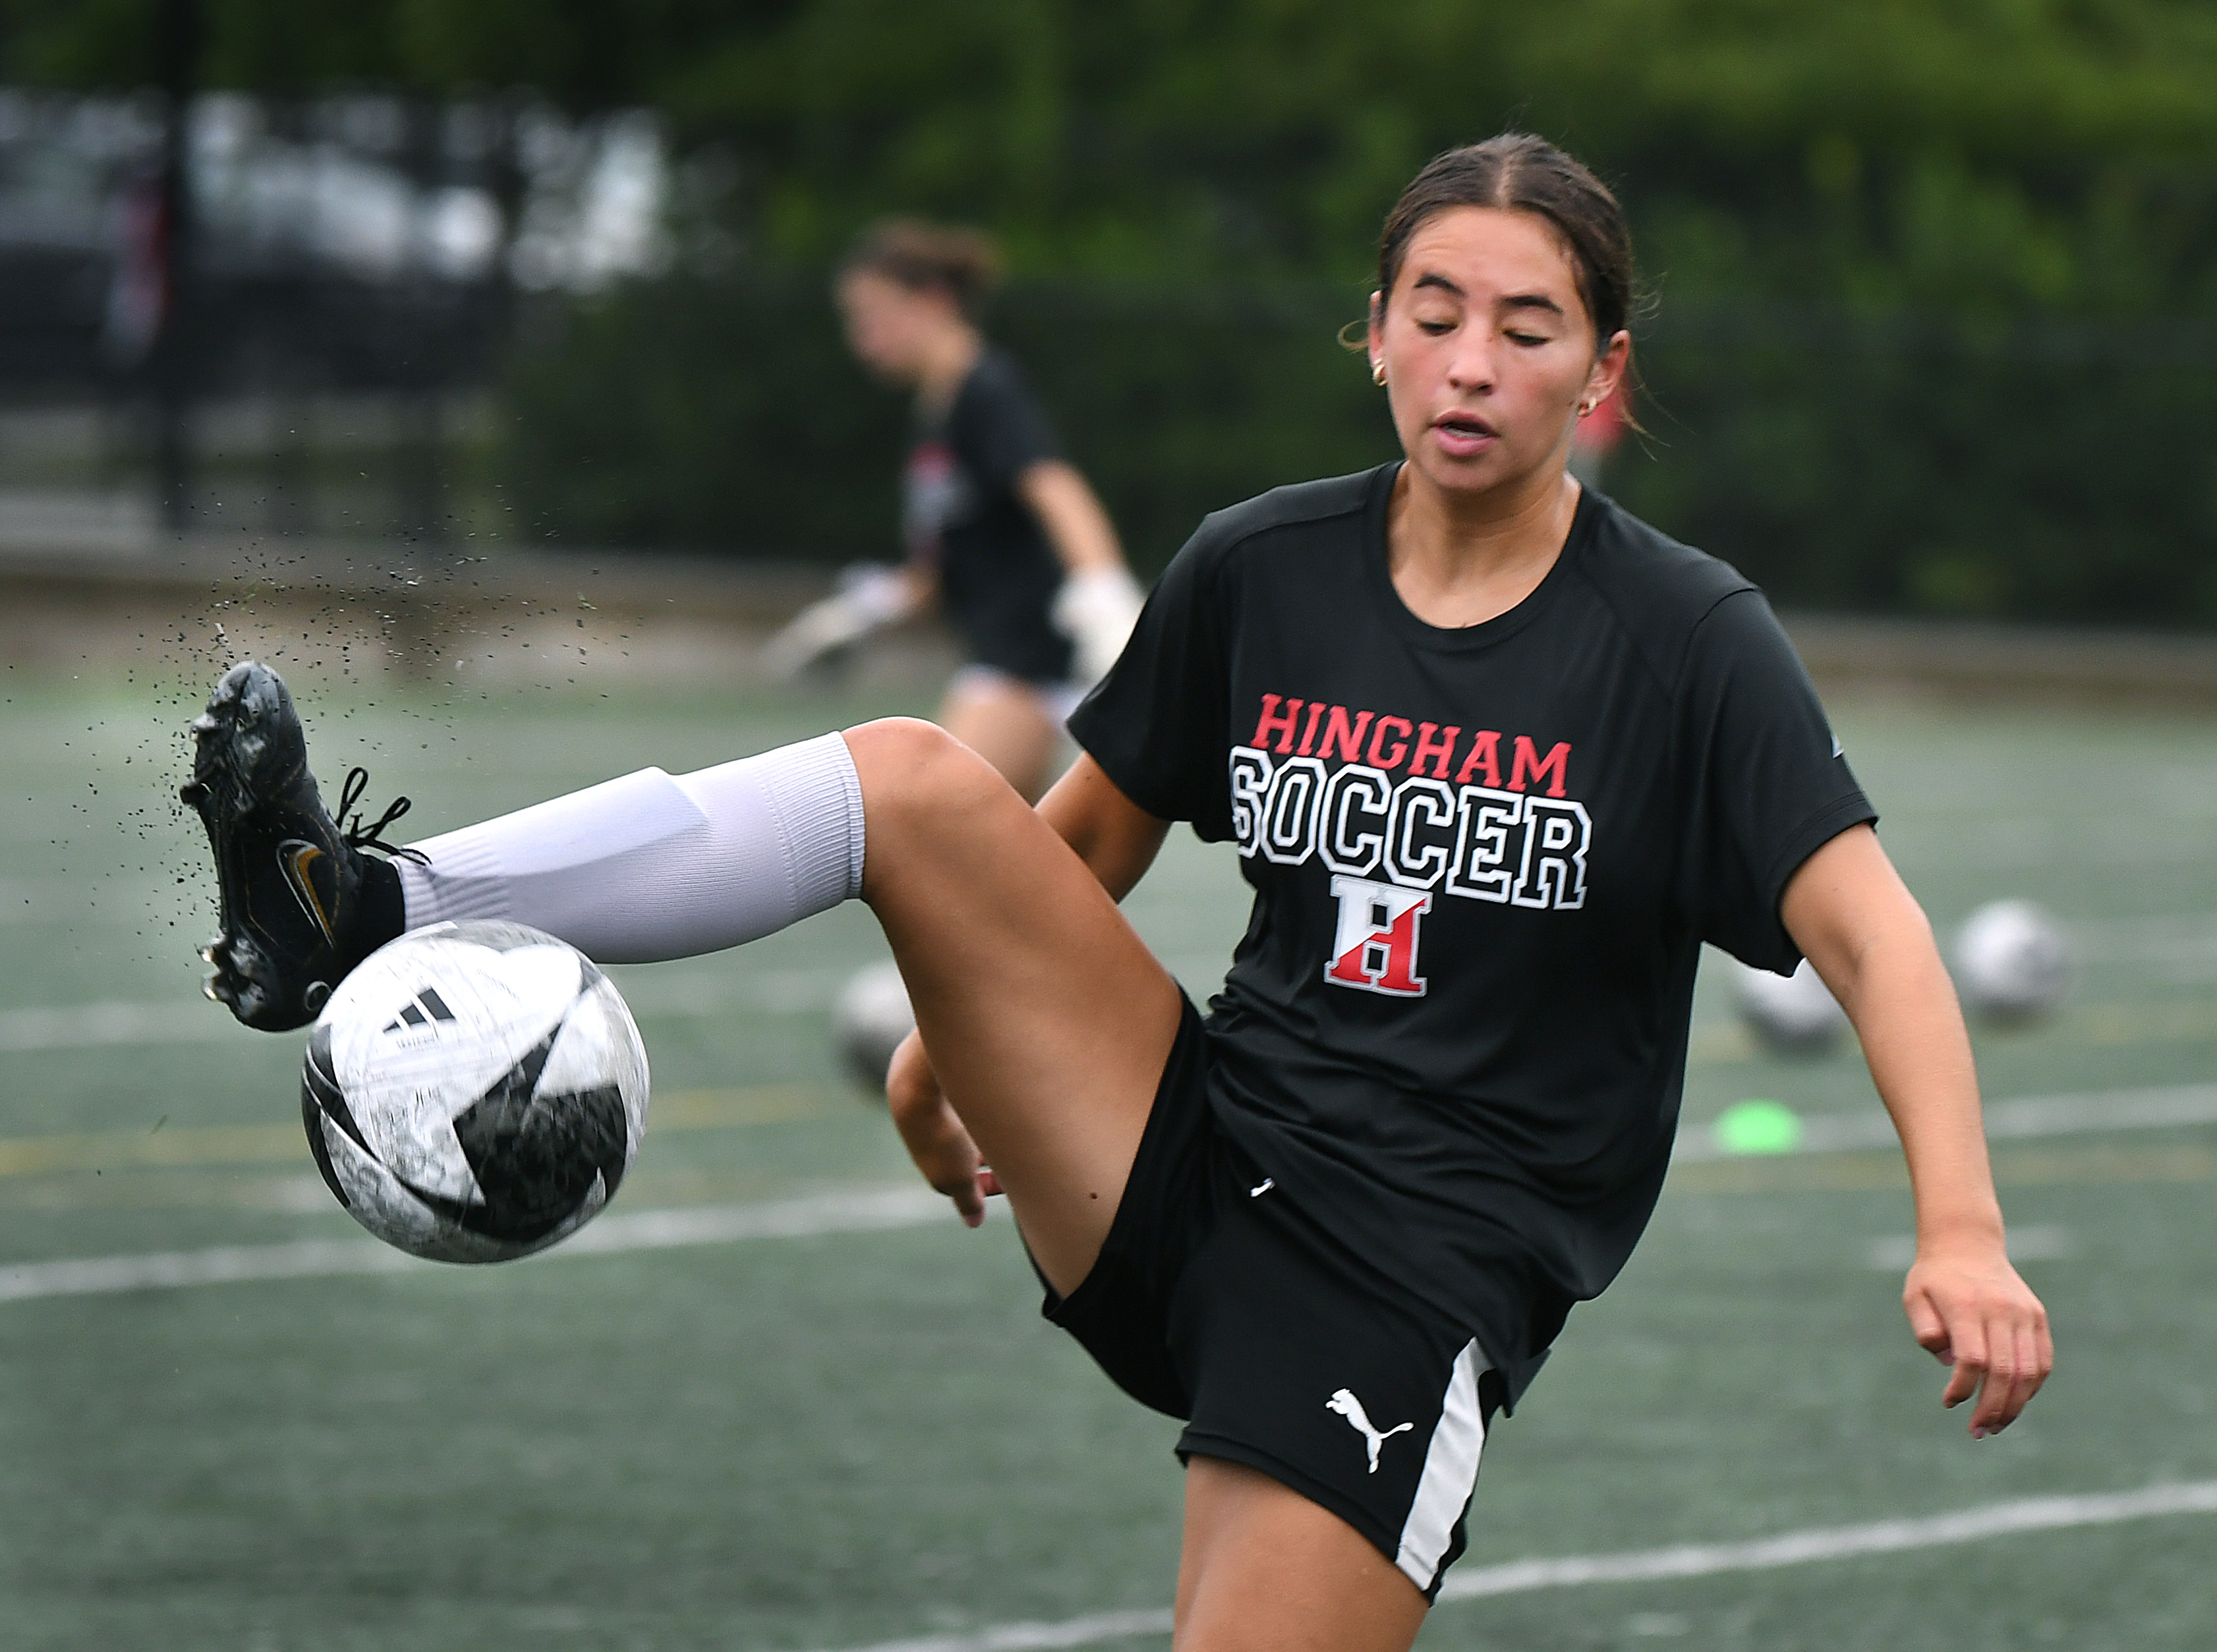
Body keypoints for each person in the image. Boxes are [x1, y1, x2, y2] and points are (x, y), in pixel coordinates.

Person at [181, 134, 2051, 1652]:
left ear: (1602, 370)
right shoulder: (1260, 567)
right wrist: (946, 1047)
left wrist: (1957, 1224)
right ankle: (362, 907)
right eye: (1435, 311)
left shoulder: (1687, 641)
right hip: (1183, 1152)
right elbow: (1069, 850)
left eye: (1531, 325)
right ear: (1375, 335)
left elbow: (1873, 934)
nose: (1475, 360)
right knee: (916, 773)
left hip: (1406, 1277)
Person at [764, 218, 1145, 804]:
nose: (863, 338)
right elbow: (933, 578)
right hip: (1003, 659)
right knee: (998, 865)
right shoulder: (935, 418)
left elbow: (1057, 488)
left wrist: (1104, 594)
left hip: (1027, 662)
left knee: (932, 824)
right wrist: (860, 615)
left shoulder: (985, 389)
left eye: (874, 315)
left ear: (934, 301)